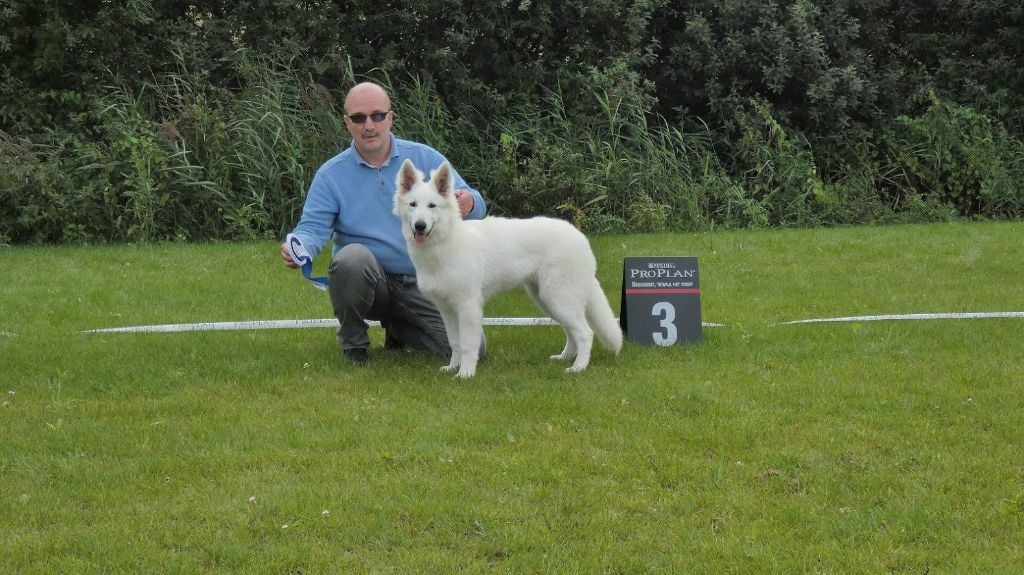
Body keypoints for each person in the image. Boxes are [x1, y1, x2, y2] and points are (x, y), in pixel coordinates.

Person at [280, 82, 486, 364]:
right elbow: (311, 230)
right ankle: (353, 344)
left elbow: (476, 205)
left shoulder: (425, 158)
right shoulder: (330, 175)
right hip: (369, 283)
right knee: (351, 259)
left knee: (473, 350)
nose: (369, 125)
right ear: (347, 123)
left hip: (424, 280)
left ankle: (400, 327)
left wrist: (469, 202)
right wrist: (298, 248)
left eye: (377, 116)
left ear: (390, 118)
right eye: (359, 118)